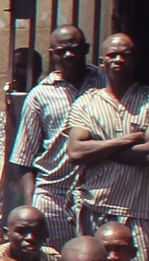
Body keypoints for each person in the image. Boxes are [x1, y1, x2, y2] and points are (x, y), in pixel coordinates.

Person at [65, 32, 149, 259]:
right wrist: (129, 139)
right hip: (95, 206)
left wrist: (97, 150)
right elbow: (75, 151)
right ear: (102, 62)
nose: (118, 60)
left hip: (138, 210)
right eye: (112, 55)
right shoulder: (86, 102)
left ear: (136, 61)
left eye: (125, 55)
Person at [6, 26, 103, 246]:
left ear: (86, 49)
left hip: (97, 194)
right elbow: (24, 159)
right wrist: (33, 208)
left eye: (74, 49)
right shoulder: (40, 95)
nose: (69, 55)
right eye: (61, 51)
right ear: (52, 54)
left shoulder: (104, 84)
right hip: (53, 196)